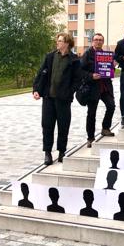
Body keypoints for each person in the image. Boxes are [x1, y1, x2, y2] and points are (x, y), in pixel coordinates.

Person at [32, 32, 82, 165]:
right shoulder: (50, 57)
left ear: (67, 43)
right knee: (47, 126)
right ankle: (47, 153)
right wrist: (36, 90)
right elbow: (40, 74)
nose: (57, 43)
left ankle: (61, 152)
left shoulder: (74, 60)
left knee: (63, 126)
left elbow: (78, 80)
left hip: (64, 99)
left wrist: (69, 92)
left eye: (60, 41)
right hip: (49, 98)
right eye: (58, 40)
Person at [80, 32, 115, 147]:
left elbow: (110, 69)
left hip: (105, 87)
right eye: (96, 39)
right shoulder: (87, 54)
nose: (98, 41)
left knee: (111, 106)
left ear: (103, 42)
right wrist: (91, 76)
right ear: (92, 41)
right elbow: (80, 71)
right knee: (91, 113)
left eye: (100, 40)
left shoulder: (107, 54)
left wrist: (112, 66)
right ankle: (90, 138)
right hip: (92, 88)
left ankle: (105, 128)